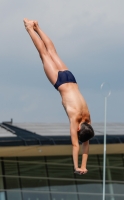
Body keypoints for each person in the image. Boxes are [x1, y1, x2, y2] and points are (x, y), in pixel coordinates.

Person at [23, 18, 94, 175]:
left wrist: (84, 165)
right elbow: (77, 145)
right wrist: (77, 167)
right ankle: (29, 28)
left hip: (71, 78)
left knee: (53, 52)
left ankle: (37, 26)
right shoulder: (75, 120)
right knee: (44, 54)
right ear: (77, 129)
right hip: (60, 83)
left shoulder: (87, 119)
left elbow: (86, 142)